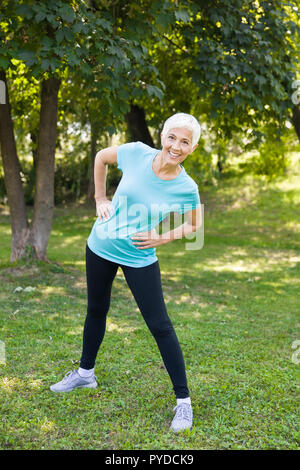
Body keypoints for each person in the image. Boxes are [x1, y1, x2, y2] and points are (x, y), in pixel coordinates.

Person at [50, 113, 202, 433]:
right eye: (172, 137)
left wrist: (163, 237)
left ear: (193, 147)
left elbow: (194, 225)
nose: (176, 146)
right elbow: (100, 158)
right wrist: (100, 197)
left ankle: (183, 403)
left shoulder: (186, 186)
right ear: (163, 136)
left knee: (160, 325)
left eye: (185, 141)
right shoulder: (135, 153)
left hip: (139, 257)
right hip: (100, 245)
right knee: (96, 310)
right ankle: (85, 374)